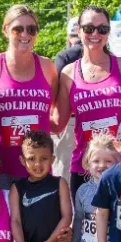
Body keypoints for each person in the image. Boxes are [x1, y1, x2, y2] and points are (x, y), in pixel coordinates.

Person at [55, 5, 121, 198]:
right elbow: (57, 123)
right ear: (78, 31)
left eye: (102, 29)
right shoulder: (68, 73)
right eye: (88, 28)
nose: (95, 33)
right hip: (85, 167)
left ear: (108, 32)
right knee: (85, 227)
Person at [0, 4, 59, 186]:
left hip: (39, 169)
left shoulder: (47, 67)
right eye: (18, 29)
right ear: (5, 30)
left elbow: (54, 115)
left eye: (31, 29)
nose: (25, 35)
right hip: (1, 170)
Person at [51, 17, 83, 183]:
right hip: (91, 120)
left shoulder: (64, 55)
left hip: (67, 119)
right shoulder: (107, 54)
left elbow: (55, 88)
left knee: (63, 169)